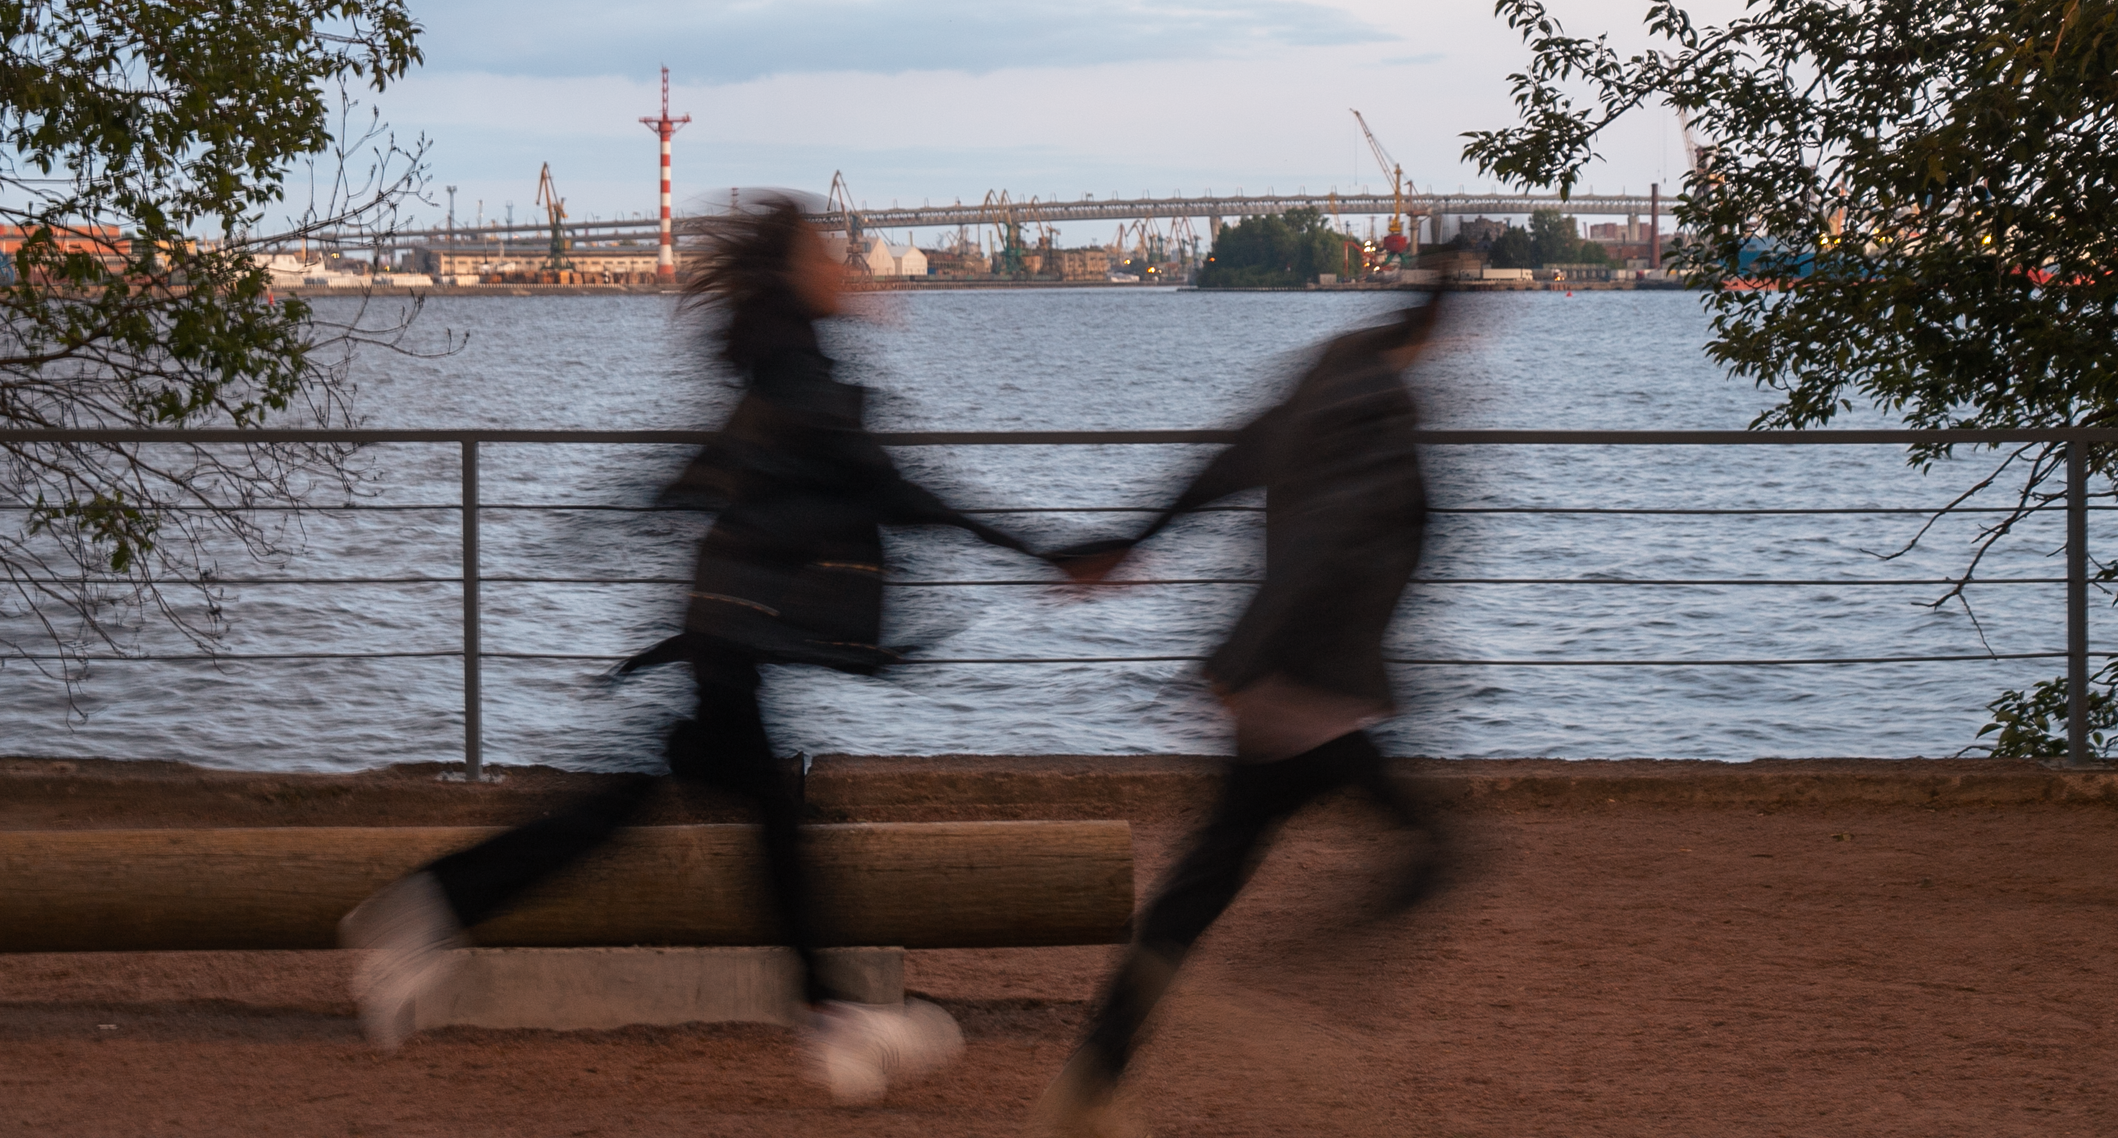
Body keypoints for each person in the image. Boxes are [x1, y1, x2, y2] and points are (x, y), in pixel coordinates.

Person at [340, 194, 1035, 1103]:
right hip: (732, 630)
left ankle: (433, 908)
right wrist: (1049, 550)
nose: (845, 262)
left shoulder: (783, 357)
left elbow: (724, 467)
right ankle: (833, 1021)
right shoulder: (798, 373)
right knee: (747, 819)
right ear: (794, 270)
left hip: (724, 628)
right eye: (829, 251)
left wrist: (636, 510)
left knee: (699, 810)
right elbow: (897, 488)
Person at [1031, 295, 1451, 1137]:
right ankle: (1288, 970)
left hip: (1274, 692)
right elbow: (1323, 543)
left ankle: (1090, 1083)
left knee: (1198, 890)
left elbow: (1227, 463)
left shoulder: (1323, 386)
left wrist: (1132, 538)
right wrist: (1244, 652)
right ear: (1433, 337)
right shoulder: (1380, 405)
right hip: (1311, 692)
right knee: (1433, 853)